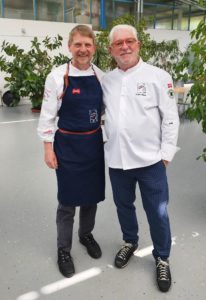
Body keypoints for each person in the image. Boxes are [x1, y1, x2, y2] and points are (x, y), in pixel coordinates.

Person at [102, 24, 179, 292]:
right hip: (117, 161)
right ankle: (130, 241)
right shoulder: (107, 80)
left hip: (151, 162)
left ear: (138, 44)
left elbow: (170, 118)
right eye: (119, 43)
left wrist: (165, 155)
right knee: (124, 206)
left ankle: (162, 257)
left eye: (130, 41)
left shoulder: (159, 76)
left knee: (157, 213)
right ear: (111, 49)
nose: (125, 46)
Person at [37, 25, 105, 278]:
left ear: (94, 48)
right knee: (67, 201)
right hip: (66, 145)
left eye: (87, 45)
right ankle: (63, 249)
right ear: (70, 46)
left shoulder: (101, 75)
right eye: (78, 44)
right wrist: (48, 149)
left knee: (91, 197)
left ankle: (85, 234)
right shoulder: (57, 76)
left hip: (94, 144)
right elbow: (47, 117)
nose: (83, 49)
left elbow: (110, 110)